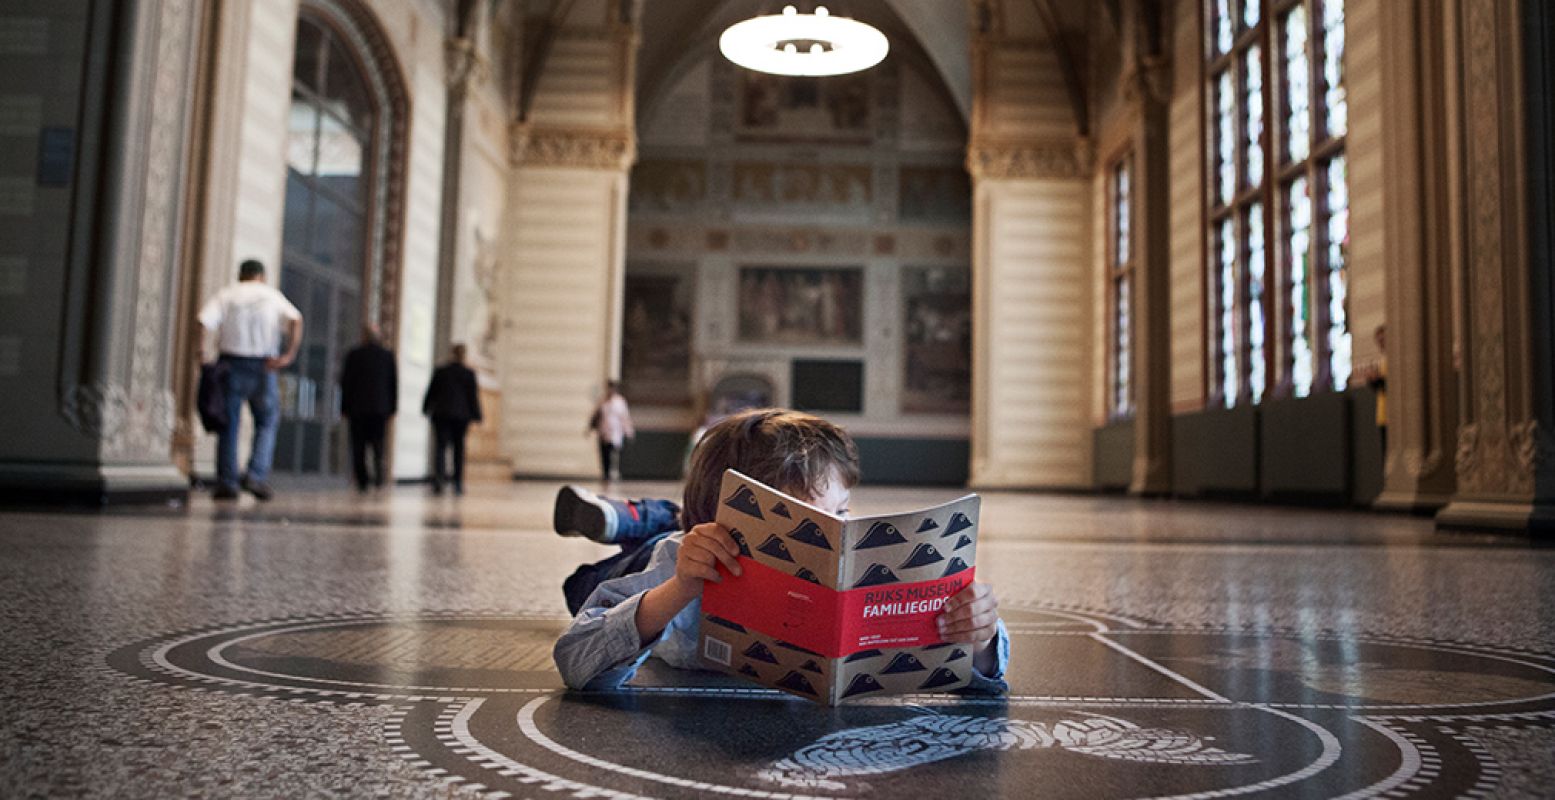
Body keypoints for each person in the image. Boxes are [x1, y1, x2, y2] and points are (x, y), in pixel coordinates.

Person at [551, 408, 1009, 693]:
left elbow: (987, 674)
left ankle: (653, 514)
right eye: (810, 526)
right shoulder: (680, 563)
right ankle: (640, 520)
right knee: (589, 583)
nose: (835, 535)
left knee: (677, 520)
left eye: (843, 512)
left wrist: (980, 638)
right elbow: (577, 659)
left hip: (695, 526)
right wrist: (678, 589)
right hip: (651, 559)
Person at [197, 259, 303, 502]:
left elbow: (202, 320)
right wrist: (288, 355)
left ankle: (228, 481)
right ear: (261, 276)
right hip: (264, 365)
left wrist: (201, 353)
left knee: (229, 425)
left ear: (241, 275)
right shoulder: (271, 295)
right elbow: (296, 319)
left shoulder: (227, 294)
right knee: (266, 422)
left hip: (231, 363)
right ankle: (256, 475)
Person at [339, 324, 398, 493]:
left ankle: (363, 480)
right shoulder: (387, 356)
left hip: (357, 408)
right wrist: (392, 408)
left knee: (359, 446)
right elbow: (393, 384)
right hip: (380, 408)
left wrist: (344, 407)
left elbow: (346, 383)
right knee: (379, 445)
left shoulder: (354, 355)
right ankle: (379, 478)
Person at [422, 343, 482, 495]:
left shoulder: (441, 371)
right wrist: (477, 415)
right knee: (458, 449)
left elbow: (432, 391)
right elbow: (472, 397)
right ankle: (457, 482)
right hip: (461, 416)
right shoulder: (468, 373)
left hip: (442, 414)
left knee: (441, 448)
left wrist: (425, 408)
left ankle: (439, 480)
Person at [588, 380, 634, 481]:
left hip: (615, 432)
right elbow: (596, 415)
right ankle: (606, 474)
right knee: (604, 454)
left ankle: (615, 472)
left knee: (614, 453)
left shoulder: (620, 402)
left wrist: (628, 431)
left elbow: (624, 417)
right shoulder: (602, 401)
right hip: (604, 432)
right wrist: (590, 428)